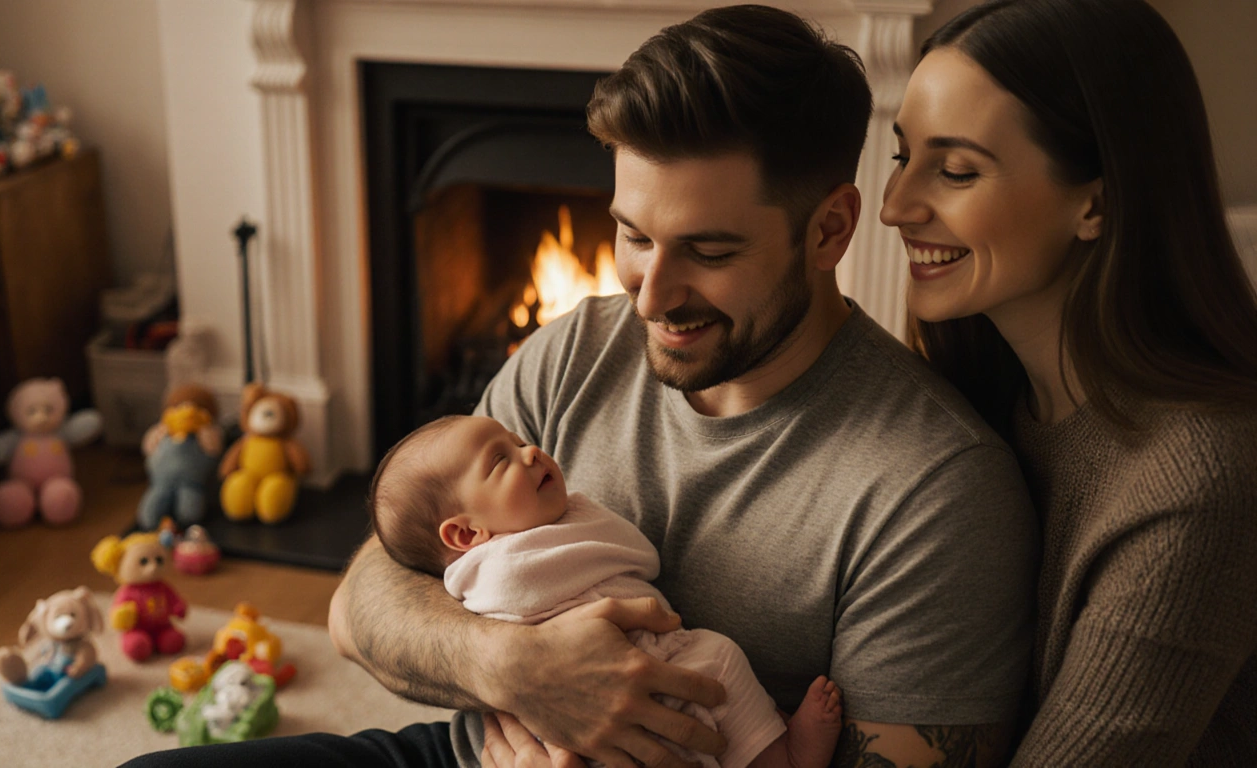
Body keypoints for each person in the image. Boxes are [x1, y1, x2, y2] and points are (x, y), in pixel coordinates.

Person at [123, 5, 1039, 768]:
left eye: (709, 252)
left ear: (831, 231)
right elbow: (362, 604)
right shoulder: (580, 348)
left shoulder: (936, 490)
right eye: (634, 236)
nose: (652, 292)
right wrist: (510, 668)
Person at [878, 0, 1257, 764]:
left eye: (955, 170)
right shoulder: (966, 411)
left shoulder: (1201, 480)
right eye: (901, 157)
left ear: (1097, 203)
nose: (894, 207)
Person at [369, 413, 844, 768]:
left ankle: (784, 756)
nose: (530, 451)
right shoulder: (495, 571)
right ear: (466, 536)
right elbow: (637, 556)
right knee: (717, 663)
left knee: (720, 661)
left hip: (663, 672)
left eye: (518, 442)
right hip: (548, 737)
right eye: (501, 461)